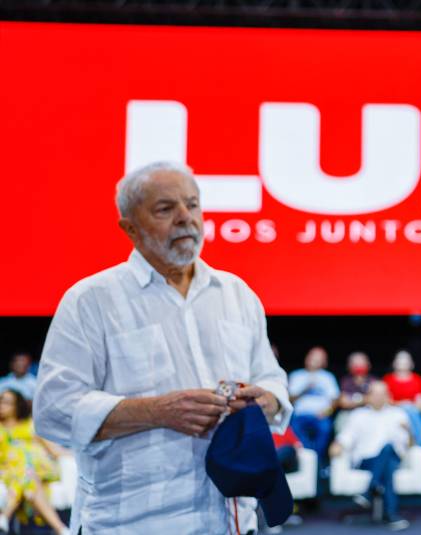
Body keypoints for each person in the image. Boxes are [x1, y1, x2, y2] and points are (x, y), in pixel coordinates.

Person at [32, 161, 293, 534]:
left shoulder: (237, 294)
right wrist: (157, 411)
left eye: (192, 204)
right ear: (130, 228)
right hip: (132, 524)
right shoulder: (91, 300)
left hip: (232, 521)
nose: (186, 217)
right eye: (165, 209)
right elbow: (54, 410)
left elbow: (270, 377)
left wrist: (267, 400)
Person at [329, 381, 412, 531]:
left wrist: (409, 431)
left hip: (394, 456)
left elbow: (409, 444)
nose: (379, 397)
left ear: (388, 396)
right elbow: (346, 436)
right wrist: (337, 445)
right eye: (375, 394)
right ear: (367, 396)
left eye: (382, 394)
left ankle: (370, 490)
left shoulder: (398, 414)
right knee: (388, 465)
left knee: (388, 449)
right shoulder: (358, 415)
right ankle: (390, 514)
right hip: (367, 460)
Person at [0, 389, 69, 534]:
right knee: (28, 478)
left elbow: (54, 450)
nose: (2, 405)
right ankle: (61, 529)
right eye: (0, 400)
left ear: (17, 405)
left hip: (38, 468)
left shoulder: (30, 425)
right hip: (8, 470)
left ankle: (5, 516)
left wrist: (77, 455)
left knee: (27, 473)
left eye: (7, 402)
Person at [383, 349, 421, 456]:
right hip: (393, 413)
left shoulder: (417, 380)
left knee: (411, 410)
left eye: (406, 360)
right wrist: (403, 404)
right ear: (394, 363)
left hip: (413, 413)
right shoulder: (387, 380)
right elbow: (386, 402)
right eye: (400, 359)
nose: (403, 363)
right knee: (408, 408)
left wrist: (408, 407)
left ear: (411, 363)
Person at [288, 346, 340, 458]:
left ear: (324, 362)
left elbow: (335, 400)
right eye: (312, 357)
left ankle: (317, 459)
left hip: (321, 416)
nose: (314, 360)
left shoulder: (328, 377)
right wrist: (305, 388)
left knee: (325, 428)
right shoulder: (296, 375)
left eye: (318, 358)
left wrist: (326, 412)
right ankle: (306, 458)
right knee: (294, 429)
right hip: (299, 415)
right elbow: (289, 399)